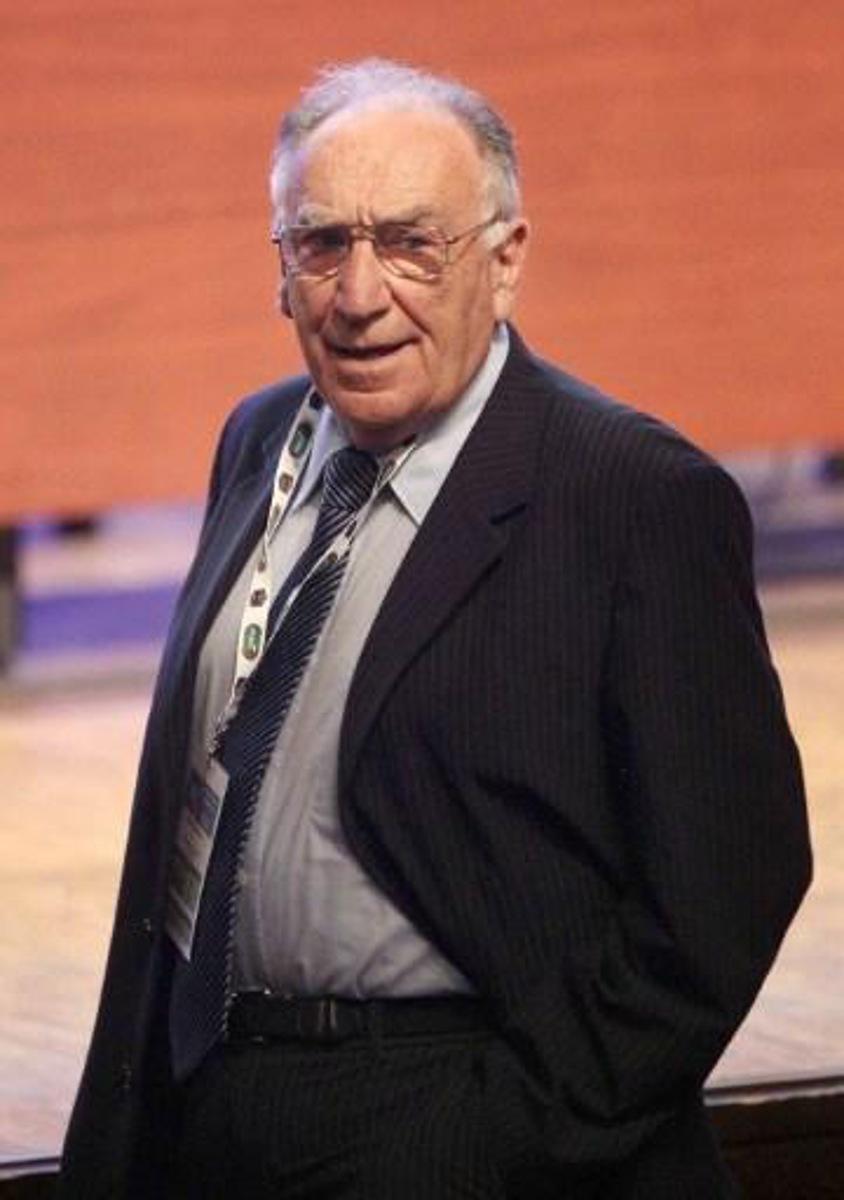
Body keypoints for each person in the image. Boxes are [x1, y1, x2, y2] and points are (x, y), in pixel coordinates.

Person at [60, 58, 811, 1199]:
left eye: (413, 243)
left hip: (466, 1126)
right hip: (216, 1108)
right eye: (321, 245)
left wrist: (494, 1139)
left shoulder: (630, 496)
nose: (359, 296)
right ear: (280, 267)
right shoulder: (258, 442)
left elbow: (725, 888)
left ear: (506, 261)